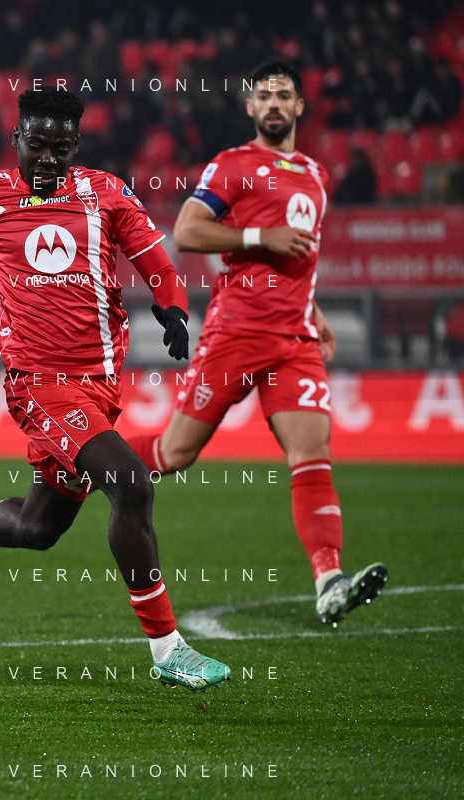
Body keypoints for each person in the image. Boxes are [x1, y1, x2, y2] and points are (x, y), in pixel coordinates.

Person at [0, 87, 231, 691]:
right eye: (37, 145)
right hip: (39, 384)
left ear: (76, 146)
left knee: (37, 529)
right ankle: (168, 650)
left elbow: (154, 258)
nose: (48, 159)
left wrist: (173, 306)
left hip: (99, 384)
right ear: (16, 139)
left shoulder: (105, 192)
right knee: (131, 484)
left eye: (61, 149)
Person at [123, 58, 387, 626]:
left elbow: (301, 255)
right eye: (263, 95)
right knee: (175, 454)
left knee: (311, 454)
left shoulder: (315, 175)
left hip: (295, 340)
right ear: (250, 107)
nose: (272, 103)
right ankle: (79, 463)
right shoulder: (234, 165)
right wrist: (260, 235)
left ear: (299, 106)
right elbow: (187, 231)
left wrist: (313, 309)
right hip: (236, 332)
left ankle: (329, 579)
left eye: (282, 95)